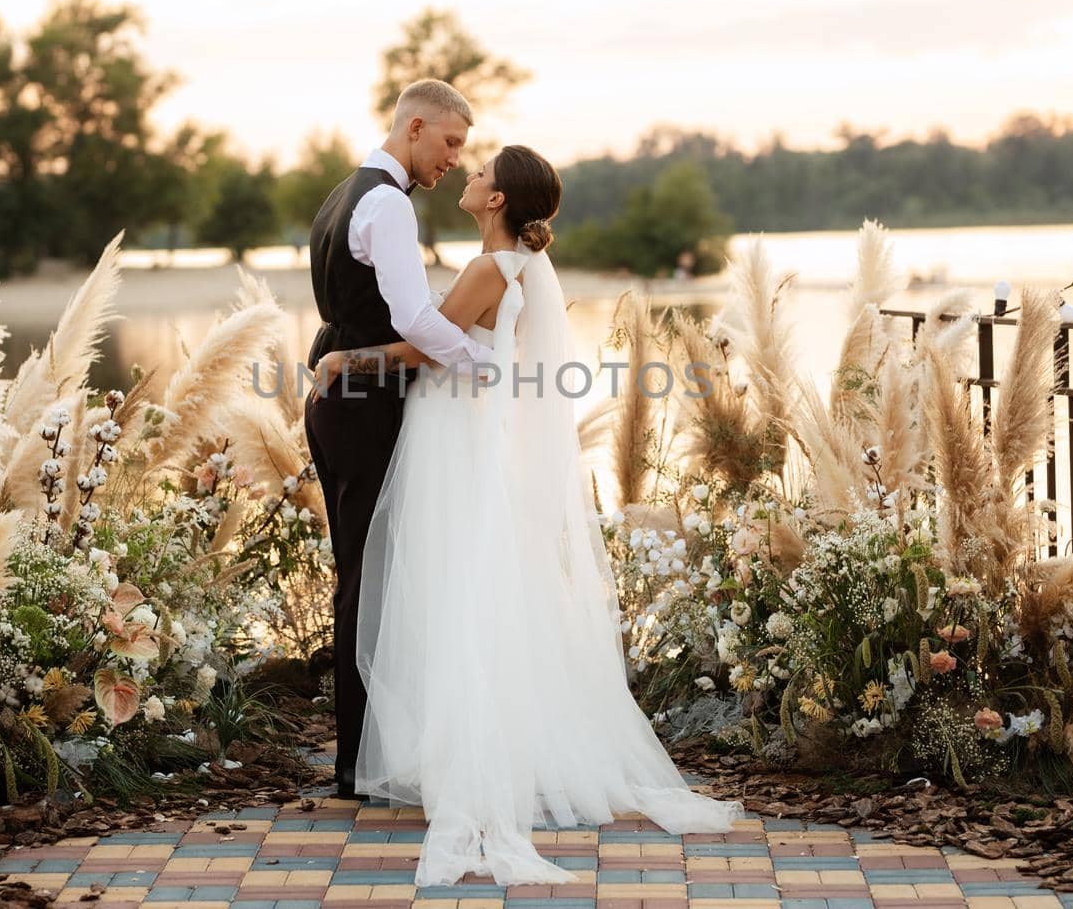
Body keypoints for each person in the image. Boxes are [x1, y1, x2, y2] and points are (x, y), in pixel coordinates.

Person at [313, 146, 745, 887]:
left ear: (498, 201)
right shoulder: (516, 265)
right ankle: (478, 739)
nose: (469, 175)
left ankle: (465, 749)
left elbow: (421, 348)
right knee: (476, 586)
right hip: (468, 430)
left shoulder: (492, 268)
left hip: (454, 435)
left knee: (456, 587)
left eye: (480, 173)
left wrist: (343, 363)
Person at [303, 79, 493, 802]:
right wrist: (484, 364)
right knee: (367, 578)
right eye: (450, 144)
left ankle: (364, 756)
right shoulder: (385, 204)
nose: (453, 162)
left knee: (362, 572)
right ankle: (358, 766)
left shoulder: (345, 193)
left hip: (342, 395)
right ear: (415, 127)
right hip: (363, 404)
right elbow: (412, 318)